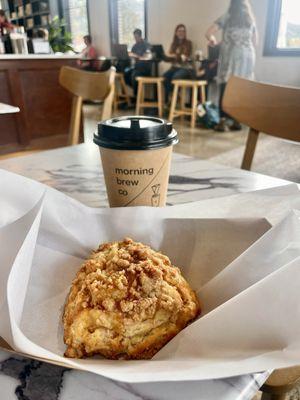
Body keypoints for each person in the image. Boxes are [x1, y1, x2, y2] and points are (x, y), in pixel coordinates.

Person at [206, 0, 257, 132]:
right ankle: (237, 120)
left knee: (226, 86)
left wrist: (213, 40)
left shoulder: (227, 16)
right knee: (241, 88)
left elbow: (209, 32)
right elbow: (255, 41)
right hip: (248, 56)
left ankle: (223, 122)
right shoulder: (250, 19)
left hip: (231, 56)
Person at [163, 24, 194, 103]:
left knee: (176, 77)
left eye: (183, 31)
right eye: (179, 31)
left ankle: (173, 100)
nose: (181, 33)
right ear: (176, 33)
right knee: (164, 77)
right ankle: (174, 98)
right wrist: (165, 56)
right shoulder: (173, 44)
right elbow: (169, 59)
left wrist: (173, 55)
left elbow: (183, 58)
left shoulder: (188, 43)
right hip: (175, 68)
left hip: (186, 69)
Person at [124, 28, 151, 97]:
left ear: (140, 36)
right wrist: (129, 55)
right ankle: (136, 90)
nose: (135, 39)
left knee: (134, 75)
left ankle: (136, 97)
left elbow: (147, 56)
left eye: (136, 37)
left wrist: (137, 56)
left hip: (145, 69)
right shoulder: (134, 46)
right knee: (125, 72)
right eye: (134, 37)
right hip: (136, 67)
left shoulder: (146, 45)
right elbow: (132, 56)